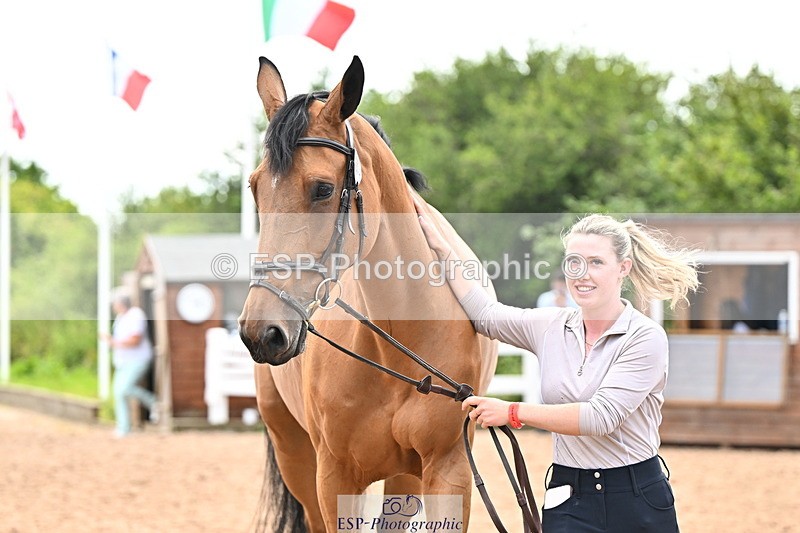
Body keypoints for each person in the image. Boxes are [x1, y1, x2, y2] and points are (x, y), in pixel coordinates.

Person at [414, 199, 699, 533]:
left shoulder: (645, 337)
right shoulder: (549, 325)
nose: (582, 274)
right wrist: (442, 248)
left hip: (637, 498)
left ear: (623, 268)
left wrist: (513, 412)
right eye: (573, 262)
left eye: (596, 262)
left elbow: (600, 417)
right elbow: (486, 315)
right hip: (569, 496)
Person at [103, 290, 159, 438]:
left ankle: (153, 402)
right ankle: (123, 427)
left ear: (120, 303)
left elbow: (135, 340)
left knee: (124, 389)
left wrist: (113, 342)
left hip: (138, 359)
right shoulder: (120, 317)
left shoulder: (136, 315)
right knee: (118, 392)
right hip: (123, 362)